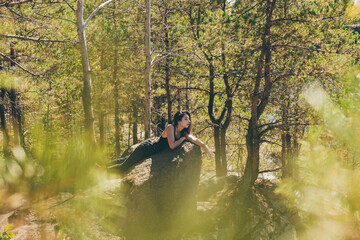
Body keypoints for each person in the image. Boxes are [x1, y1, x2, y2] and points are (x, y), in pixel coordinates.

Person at [108, 110, 213, 173]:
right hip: (147, 149)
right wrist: (181, 139)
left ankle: (103, 165)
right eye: (186, 119)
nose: (189, 121)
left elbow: (193, 139)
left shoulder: (183, 132)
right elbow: (172, 145)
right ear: (178, 121)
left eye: (189, 119)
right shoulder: (170, 127)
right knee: (125, 166)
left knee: (127, 159)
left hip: (153, 153)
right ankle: (103, 170)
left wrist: (205, 146)